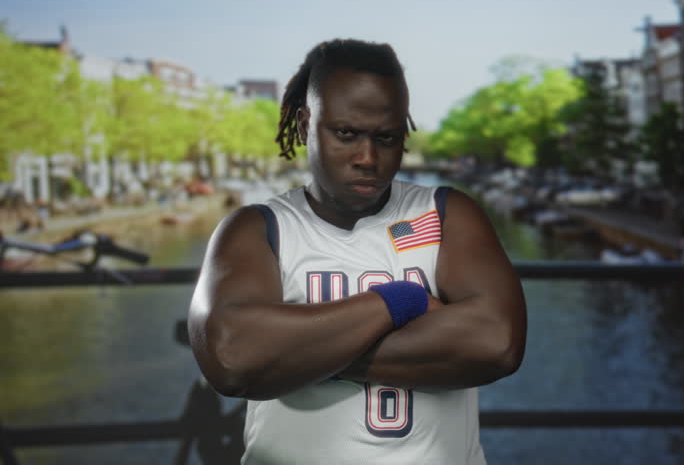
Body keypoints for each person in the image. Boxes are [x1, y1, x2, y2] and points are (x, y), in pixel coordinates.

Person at [188, 39, 527, 464]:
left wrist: (292, 356)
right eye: (346, 134)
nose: (368, 158)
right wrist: (402, 300)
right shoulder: (257, 228)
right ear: (304, 123)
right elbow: (232, 358)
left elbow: (497, 343)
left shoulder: (445, 214)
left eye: (387, 137)